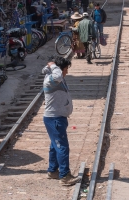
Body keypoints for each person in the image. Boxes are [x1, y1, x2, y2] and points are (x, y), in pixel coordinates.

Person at [42, 57, 79, 186]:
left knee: (55, 146)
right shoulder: (51, 80)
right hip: (54, 119)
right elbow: (57, 75)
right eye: (65, 69)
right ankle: (64, 176)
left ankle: (53, 171)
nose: (66, 72)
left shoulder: (56, 78)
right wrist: (53, 65)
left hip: (58, 118)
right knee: (62, 147)